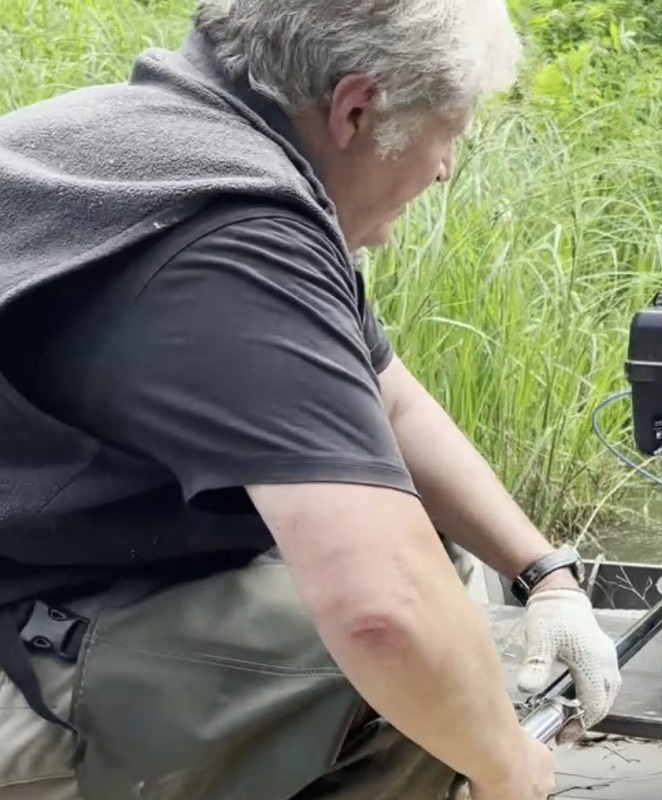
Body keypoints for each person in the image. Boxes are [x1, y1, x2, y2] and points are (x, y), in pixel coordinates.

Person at [0, 0, 622, 798]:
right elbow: (383, 617)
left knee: (431, 569)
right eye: (450, 133)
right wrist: (502, 764)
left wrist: (544, 575)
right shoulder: (234, 237)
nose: (444, 169)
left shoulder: (142, 143)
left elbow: (389, 404)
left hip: (53, 558)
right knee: (400, 677)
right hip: (23, 638)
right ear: (356, 109)